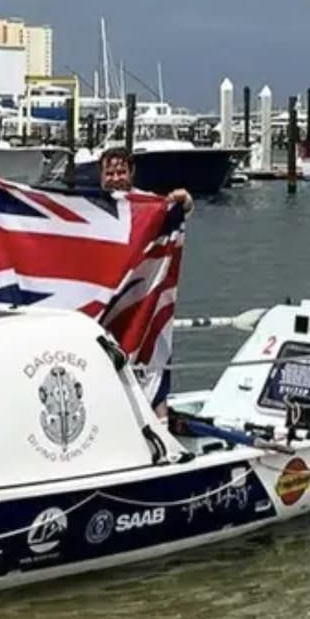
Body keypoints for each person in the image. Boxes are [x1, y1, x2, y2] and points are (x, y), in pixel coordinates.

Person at [97, 147, 192, 420]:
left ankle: (161, 428)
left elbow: (180, 214)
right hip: (103, 305)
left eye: (121, 171)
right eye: (110, 172)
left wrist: (184, 202)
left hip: (141, 300)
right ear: (101, 175)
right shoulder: (89, 207)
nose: (116, 178)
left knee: (153, 364)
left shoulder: (150, 204)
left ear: (131, 172)